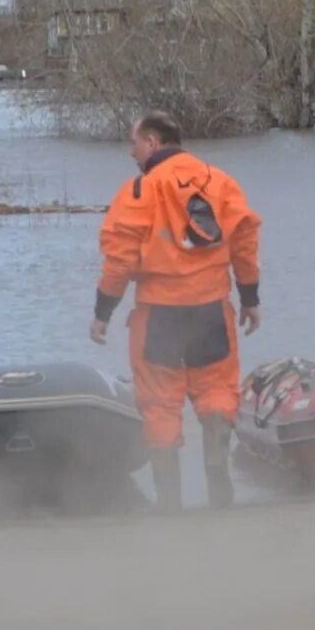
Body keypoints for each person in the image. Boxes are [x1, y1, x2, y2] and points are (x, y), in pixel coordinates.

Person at [91, 110, 262, 511]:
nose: (131, 154)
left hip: (158, 315)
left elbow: (118, 260)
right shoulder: (220, 182)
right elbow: (245, 241)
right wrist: (251, 299)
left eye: (133, 144)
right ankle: (218, 475)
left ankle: (170, 504)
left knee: (160, 406)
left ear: (152, 143)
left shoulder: (138, 192)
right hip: (211, 311)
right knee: (217, 392)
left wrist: (103, 312)